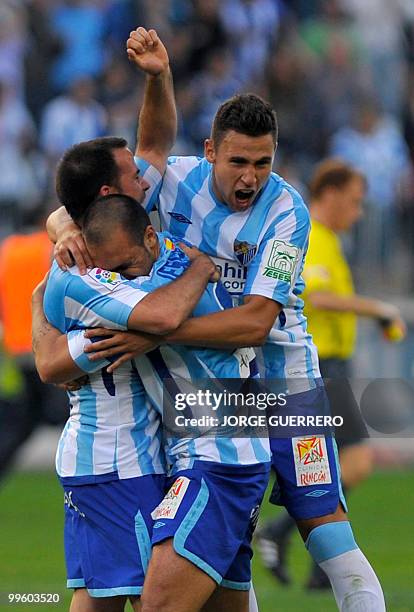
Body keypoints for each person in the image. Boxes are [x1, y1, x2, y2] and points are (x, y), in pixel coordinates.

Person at [47, 27, 386, 611]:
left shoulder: (287, 211)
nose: (250, 177)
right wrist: (66, 232)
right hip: (214, 390)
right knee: (227, 540)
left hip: (285, 379)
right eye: (237, 162)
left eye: (262, 162)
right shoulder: (174, 183)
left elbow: (255, 324)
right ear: (209, 153)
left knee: (324, 527)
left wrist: (150, 327)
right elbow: (96, 199)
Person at [34, 194, 269, 612]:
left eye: (126, 268)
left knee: (151, 602)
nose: (119, 279)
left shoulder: (152, 287)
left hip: (214, 455)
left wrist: (45, 295)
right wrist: (59, 235)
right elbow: (52, 366)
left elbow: (159, 318)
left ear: (148, 235)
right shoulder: (168, 262)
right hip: (178, 455)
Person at [256, 158, 406, 589]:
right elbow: (319, 298)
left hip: (327, 366)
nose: (358, 213)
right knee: (352, 461)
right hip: (313, 367)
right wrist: (378, 309)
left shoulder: (329, 240)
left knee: (324, 464)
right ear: (332, 194)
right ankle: (294, 538)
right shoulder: (313, 237)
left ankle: (314, 563)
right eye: (355, 203)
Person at [0, 205, 68, 482]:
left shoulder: (8, 250)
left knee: (22, 422)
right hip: (47, 342)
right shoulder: (49, 247)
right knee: (69, 412)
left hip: (17, 347)